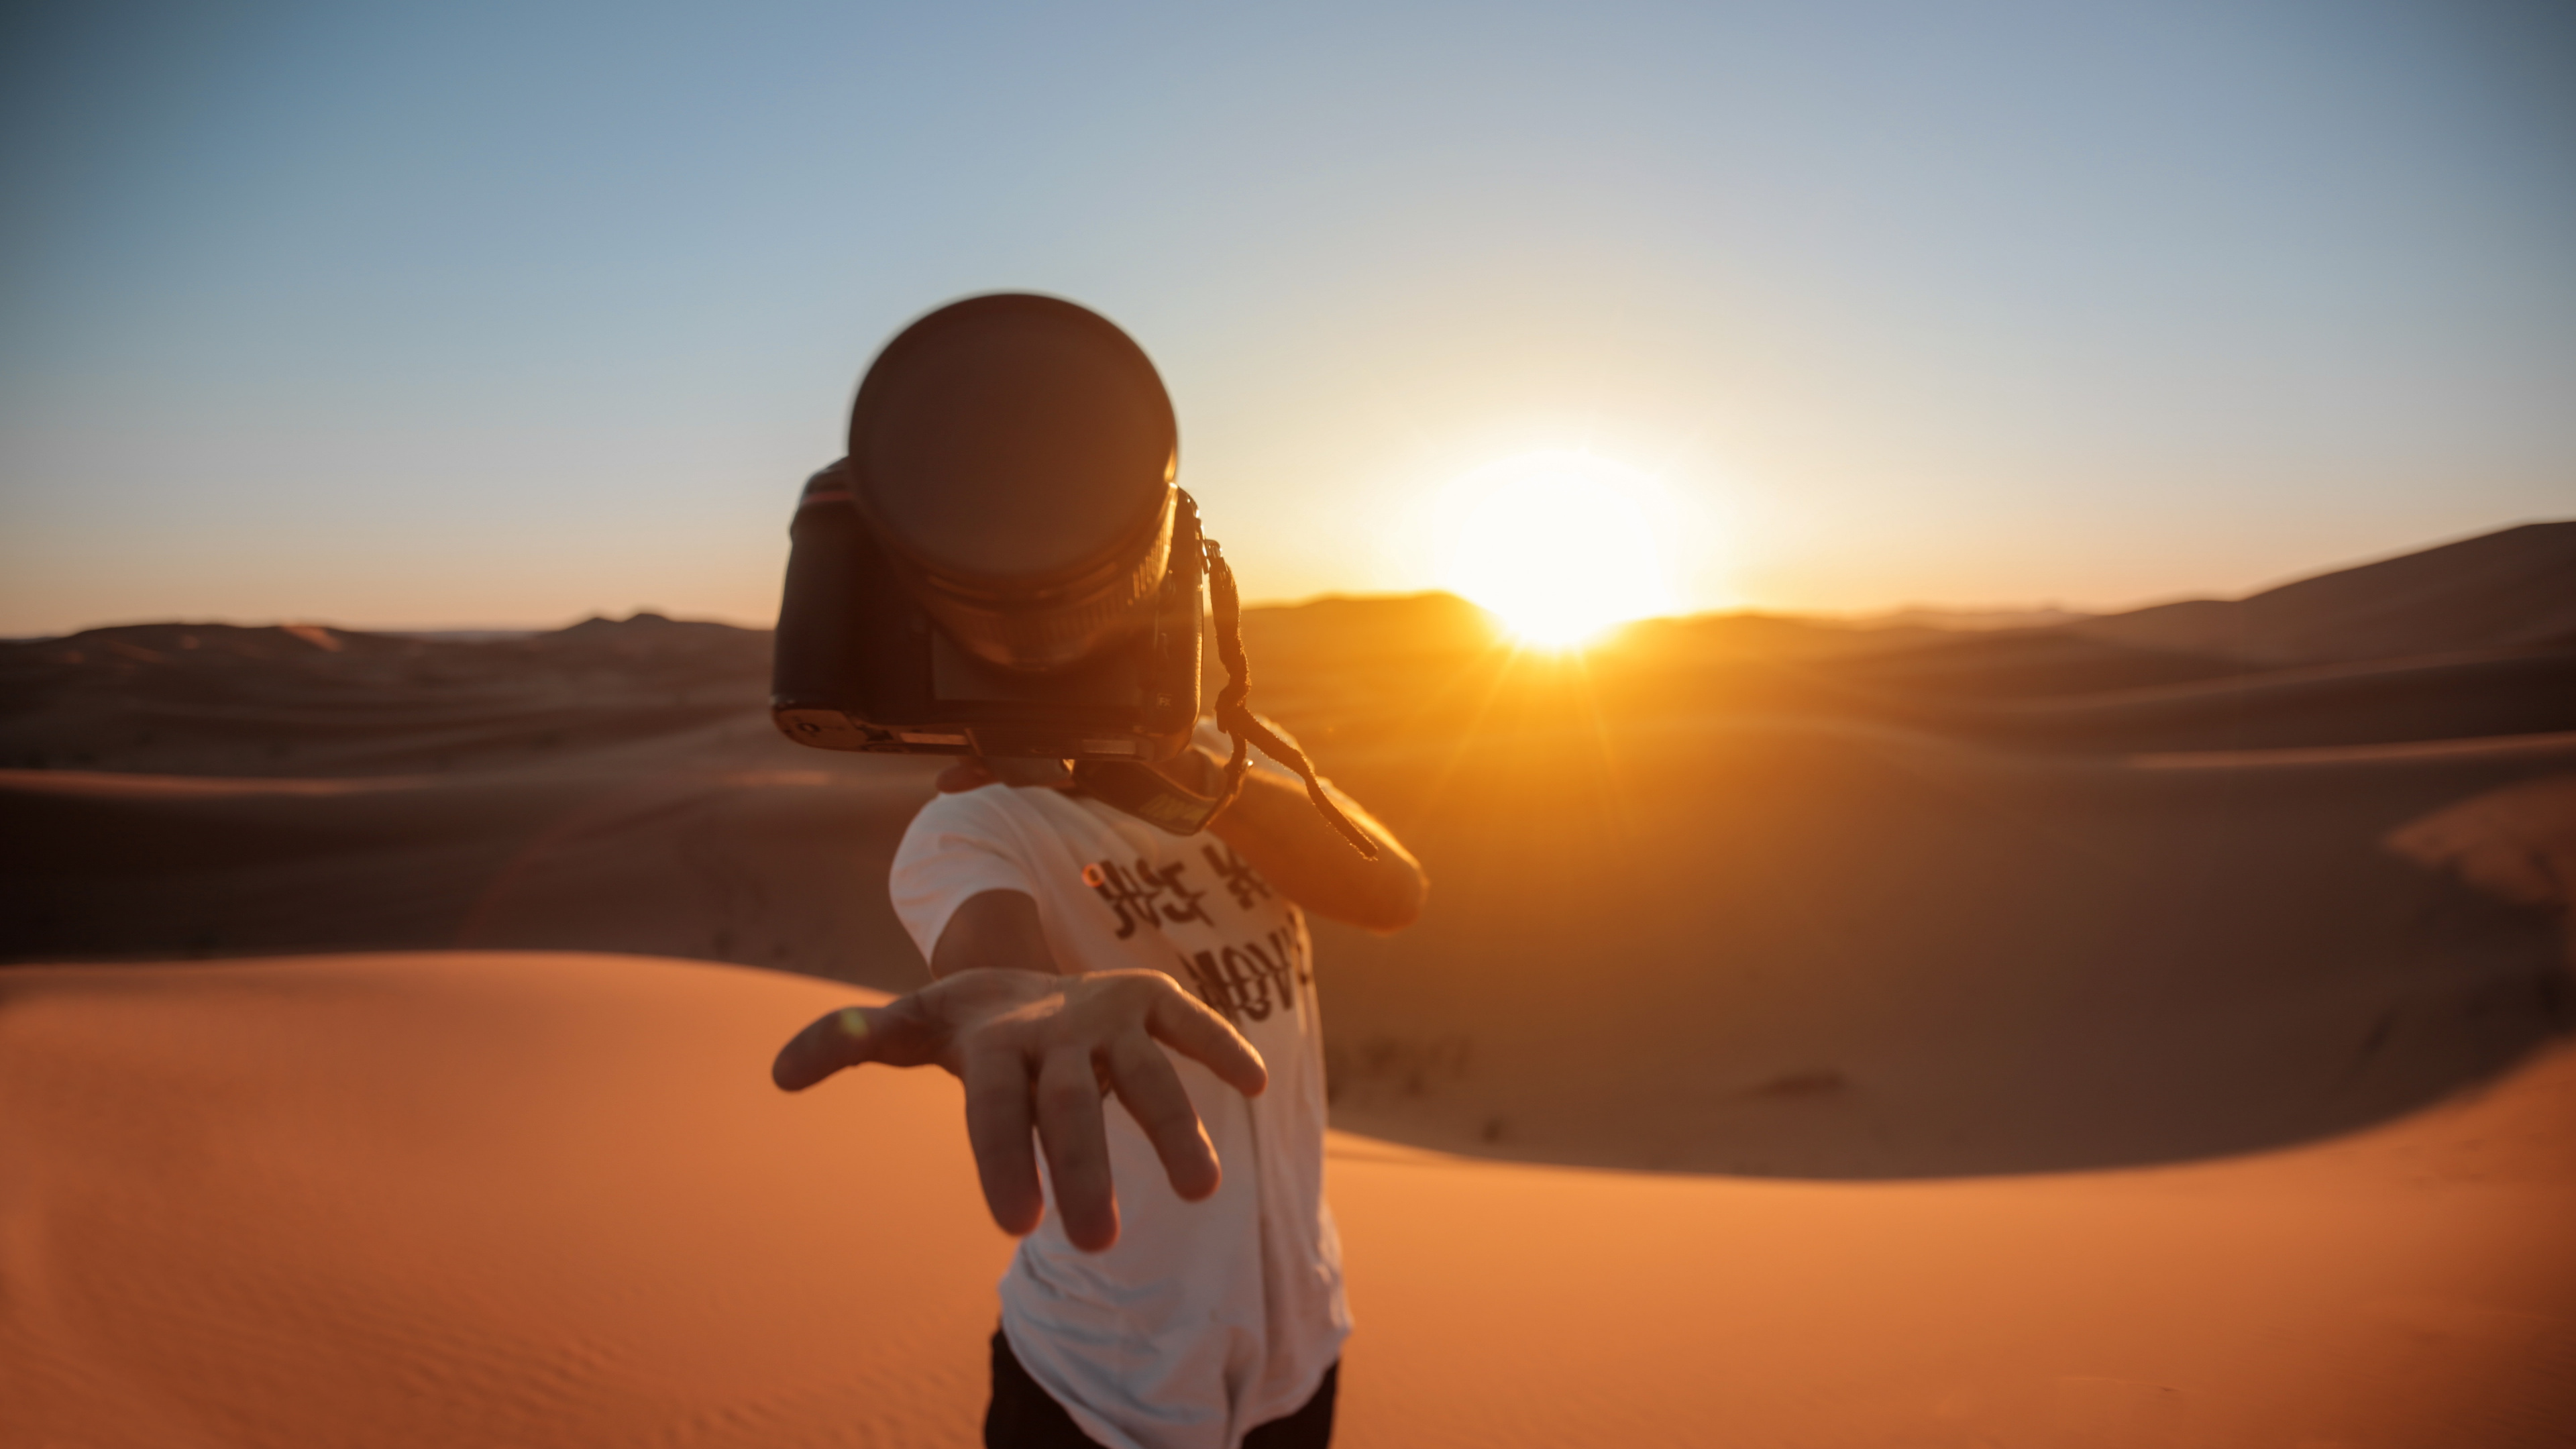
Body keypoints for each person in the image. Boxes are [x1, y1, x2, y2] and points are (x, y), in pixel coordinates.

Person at [773, 720, 1426, 1449]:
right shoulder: (972, 827)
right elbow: (1002, 975)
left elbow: (1393, 892)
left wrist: (1199, 778)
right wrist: (1026, 1005)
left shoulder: (1233, 753)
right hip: (1098, 1385)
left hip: (1299, 1359)